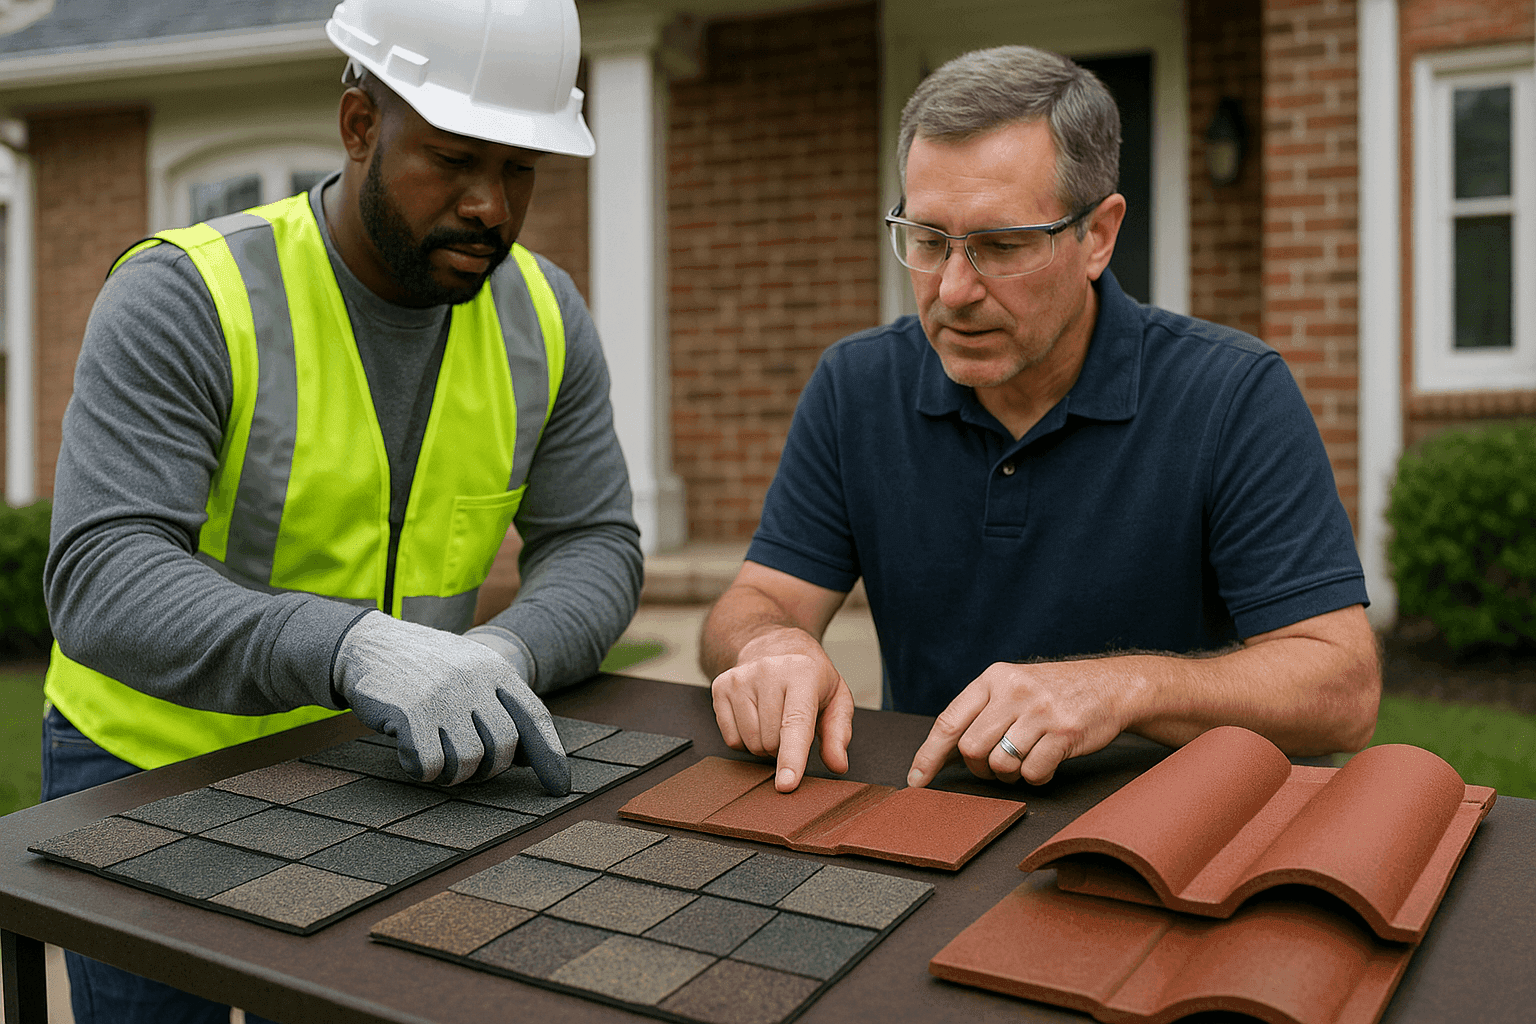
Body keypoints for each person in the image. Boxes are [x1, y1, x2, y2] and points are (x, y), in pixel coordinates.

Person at [41, 0, 639, 1020]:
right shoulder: (187, 294)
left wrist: (508, 655)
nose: (492, 205)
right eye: (454, 159)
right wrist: (353, 644)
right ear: (359, 124)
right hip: (151, 769)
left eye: (520, 168)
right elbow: (102, 574)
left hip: (387, 771)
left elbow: (595, 543)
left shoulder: (546, 312)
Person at [701, 45, 1380, 796]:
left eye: (1000, 246)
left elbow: (1343, 689)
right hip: (926, 818)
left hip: (1161, 834)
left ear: (1099, 235)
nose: (953, 290)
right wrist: (772, 645)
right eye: (928, 241)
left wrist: (1119, 690)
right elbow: (752, 603)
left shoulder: (1231, 393)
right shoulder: (857, 385)